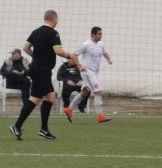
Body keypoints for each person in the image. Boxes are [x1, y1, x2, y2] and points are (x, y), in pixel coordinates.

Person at [9, 10, 77, 141]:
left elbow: (25, 48)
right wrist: (70, 56)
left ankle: (44, 130)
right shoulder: (53, 33)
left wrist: (36, 57)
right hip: (42, 71)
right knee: (35, 99)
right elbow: (58, 51)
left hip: (37, 69)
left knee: (51, 97)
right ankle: (17, 126)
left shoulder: (36, 32)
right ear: (54, 20)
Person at [64, 26, 113, 123]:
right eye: (99, 34)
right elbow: (74, 55)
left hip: (94, 73)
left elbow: (105, 53)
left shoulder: (101, 44)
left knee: (85, 92)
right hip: (88, 72)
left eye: (101, 33)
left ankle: (69, 109)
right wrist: (79, 66)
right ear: (93, 34)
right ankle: (100, 115)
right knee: (98, 91)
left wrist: (109, 59)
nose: (101, 35)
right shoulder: (86, 44)